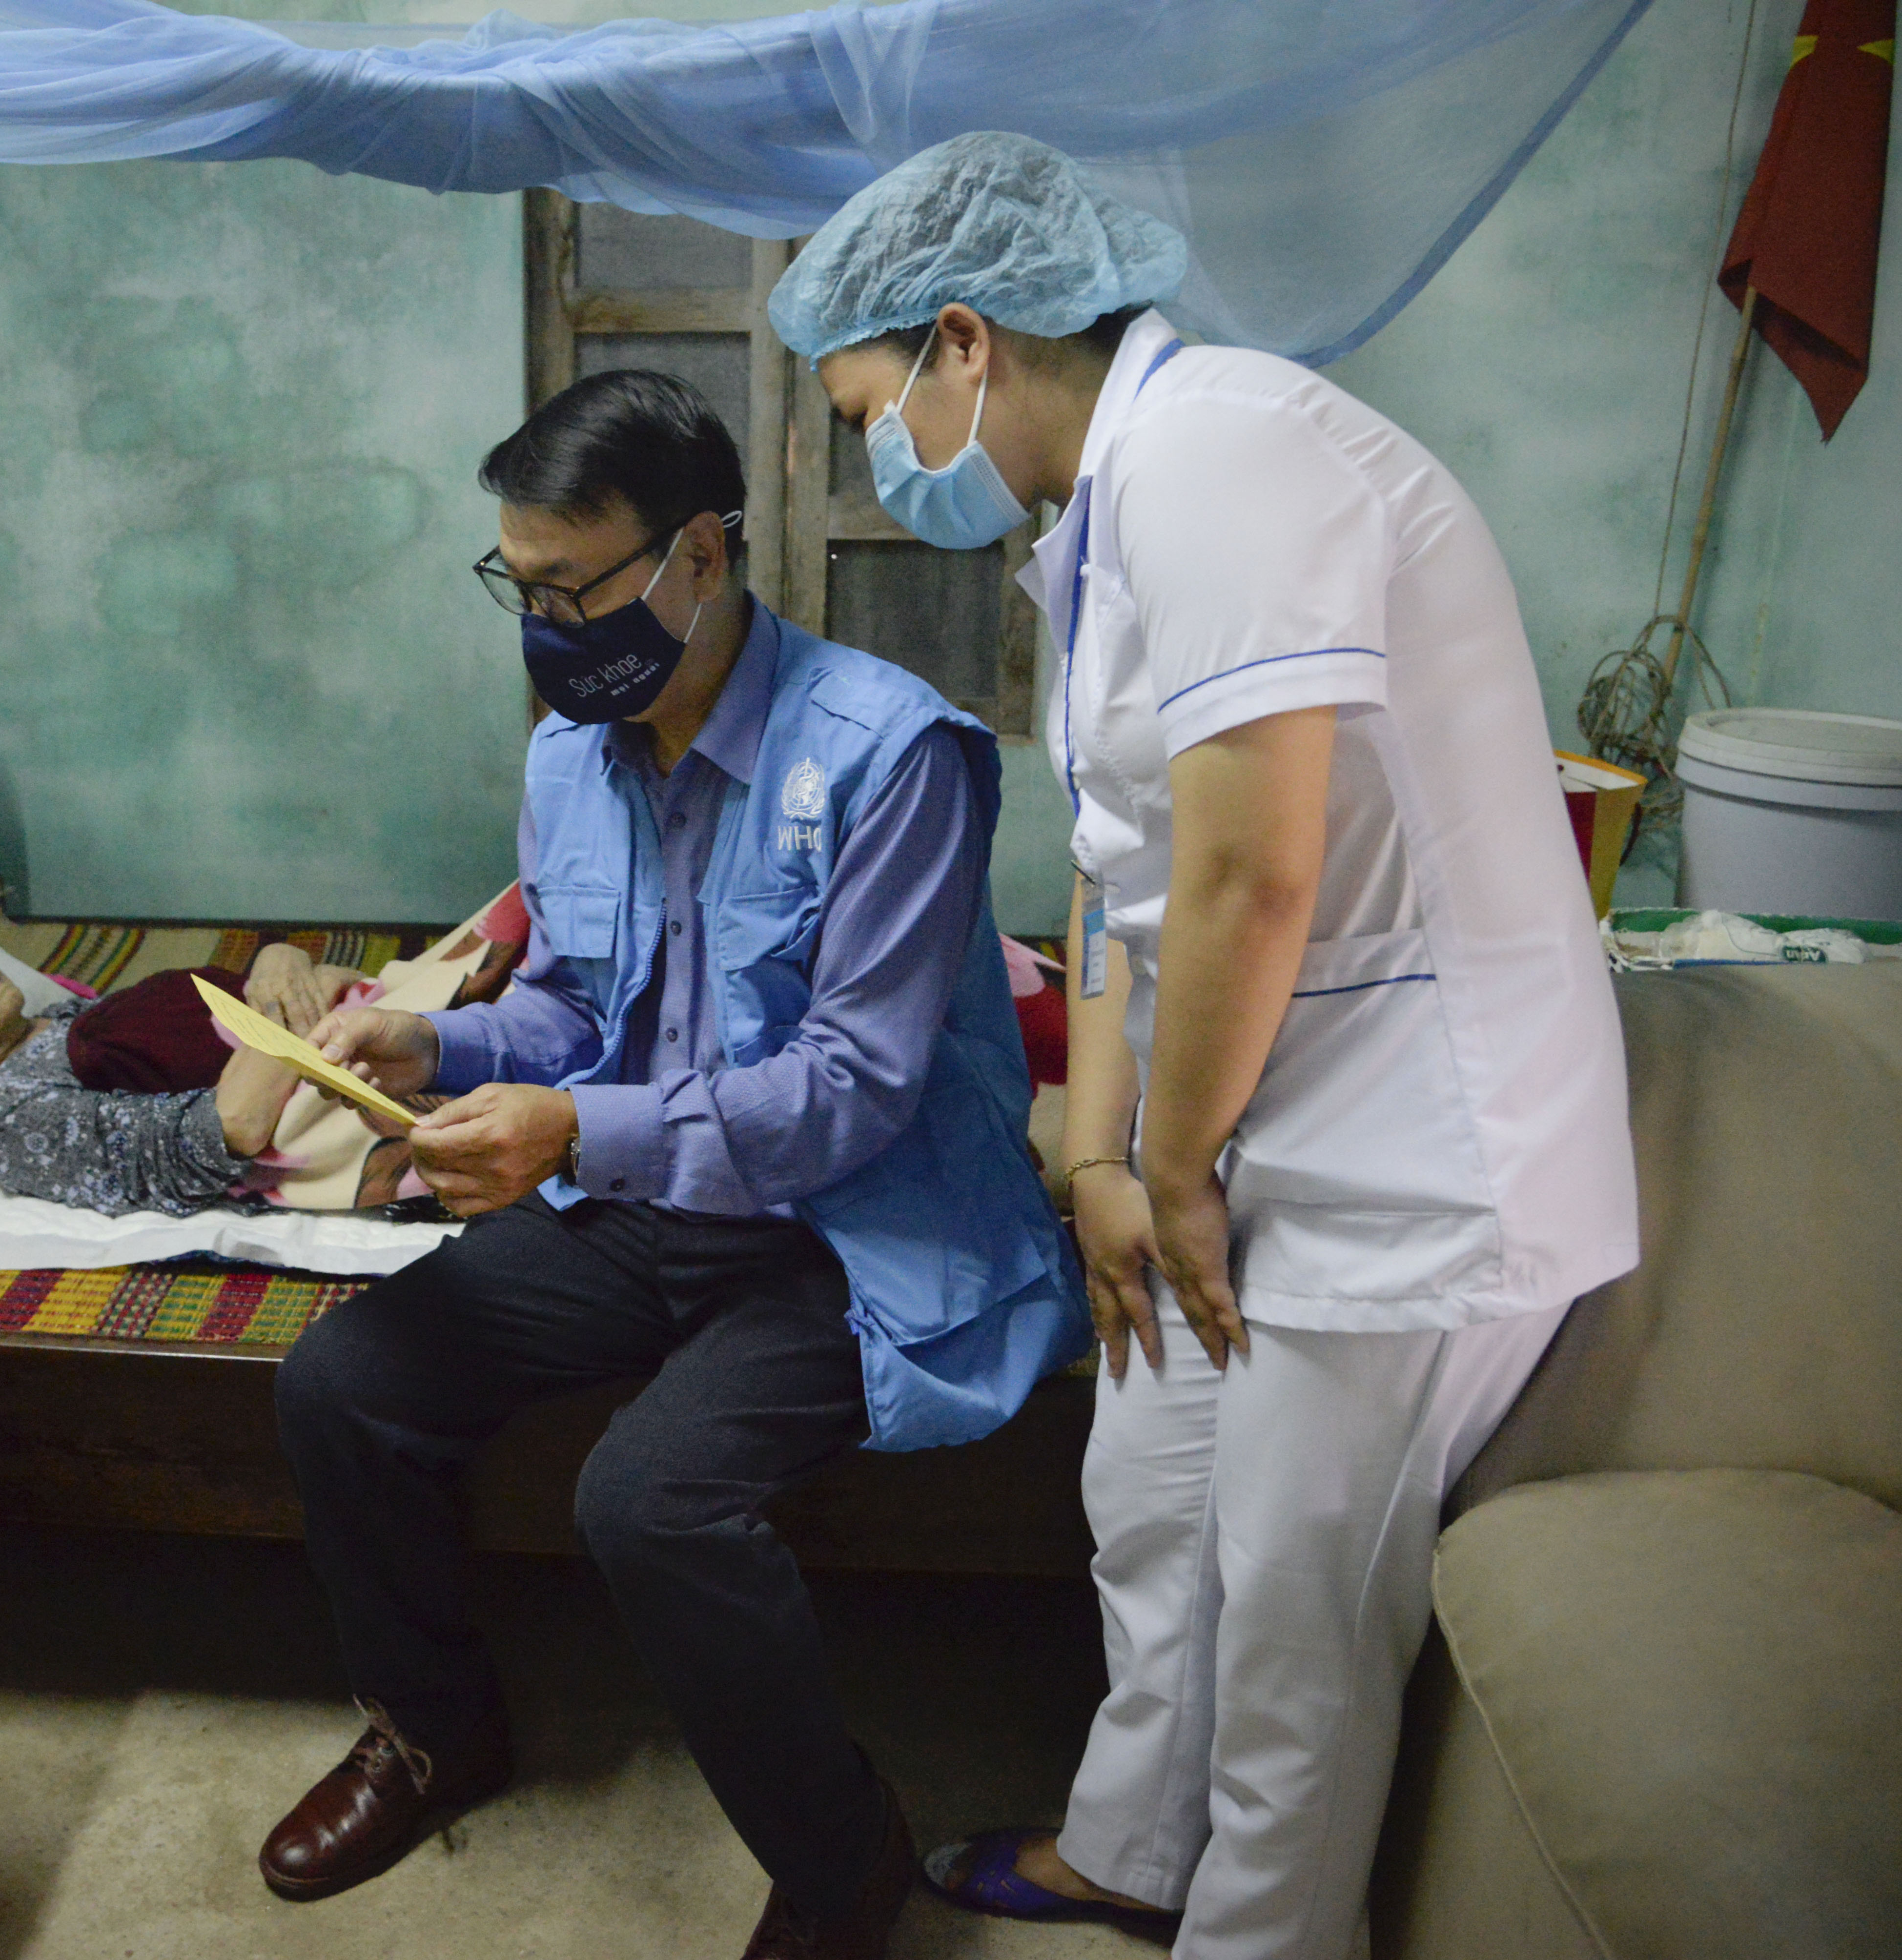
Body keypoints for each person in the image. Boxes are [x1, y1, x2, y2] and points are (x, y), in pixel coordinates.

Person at [766, 133, 1640, 1958]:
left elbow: (1253, 870)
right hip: (1240, 1116)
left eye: (866, 412)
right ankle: (1130, 1853)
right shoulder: (1095, 526)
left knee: (1294, 1611)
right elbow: (1120, 871)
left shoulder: (1222, 453)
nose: (874, 460)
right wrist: (1099, 1153)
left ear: (961, 339)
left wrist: (1163, 1165)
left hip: (1410, 1151)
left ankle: (1259, 1932)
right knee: (1148, 1497)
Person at [261, 371, 1083, 1960]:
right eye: (520, 586)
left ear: (701, 552)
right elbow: (580, 1007)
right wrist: (438, 1045)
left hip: (846, 1226)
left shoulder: (890, 756)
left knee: (648, 1501)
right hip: (647, 1195)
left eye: (575, 587)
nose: (546, 627)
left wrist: (575, 1130)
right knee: (341, 1384)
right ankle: (433, 1731)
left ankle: (841, 1854)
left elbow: (851, 1091)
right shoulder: (572, 757)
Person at [0, 920, 356, 1215]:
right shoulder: (9, 1115)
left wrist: (280, 961)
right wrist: (294, 1000)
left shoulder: (71, 1014)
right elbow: (228, 1126)